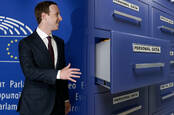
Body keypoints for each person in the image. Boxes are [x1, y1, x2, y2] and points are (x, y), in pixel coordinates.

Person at [17, 1, 81, 115]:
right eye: (57, 14)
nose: (60, 18)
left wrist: (65, 99)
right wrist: (58, 74)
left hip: (58, 106)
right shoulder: (26, 43)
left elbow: (63, 75)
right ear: (44, 16)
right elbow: (29, 71)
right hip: (35, 107)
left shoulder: (60, 43)